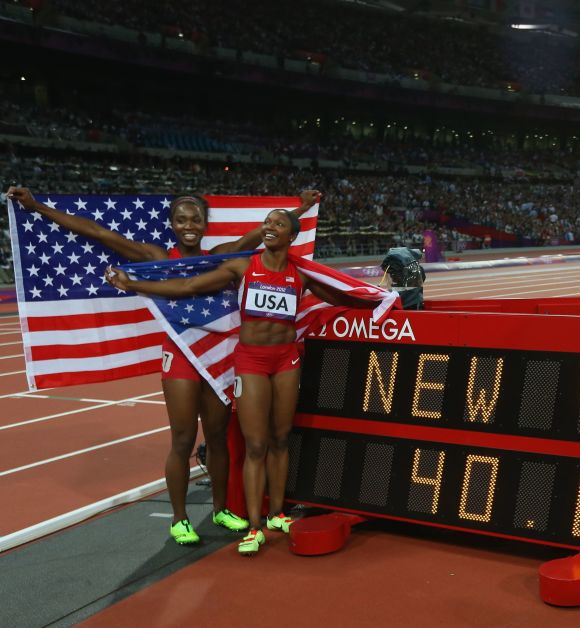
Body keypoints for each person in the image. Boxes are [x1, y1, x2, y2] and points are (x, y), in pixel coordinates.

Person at [5, 187, 319, 546]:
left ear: (205, 225)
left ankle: (220, 508)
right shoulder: (157, 255)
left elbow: (260, 235)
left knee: (217, 438)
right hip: (182, 355)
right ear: (171, 224)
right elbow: (98, 233)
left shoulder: (220, 256)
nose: (189, 225)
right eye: (182, 219)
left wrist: (303, 205)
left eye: (196, 219)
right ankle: (180, 518)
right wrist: (37, 207)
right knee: (183, 438)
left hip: (217, 357)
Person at [106, 209, 381, 555]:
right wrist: (133, 284)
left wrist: (382, 303)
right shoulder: (243, 266)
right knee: (255, 445)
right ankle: (254, 527)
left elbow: (339, 296)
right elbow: (188, 286)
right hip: (251, 360)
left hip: (286, 360)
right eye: (266, 222)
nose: (268, 228)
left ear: (291, 237)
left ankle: (277, 513)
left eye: (278, 224)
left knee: (281, 439)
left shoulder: (301, 273)